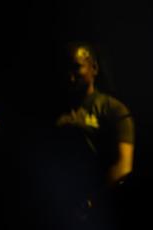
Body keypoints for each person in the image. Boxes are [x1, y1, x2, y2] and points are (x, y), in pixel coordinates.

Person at [55, 42, 134, 187]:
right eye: (67, 69)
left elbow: (123, 166)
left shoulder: (112, 109)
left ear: (94, 68)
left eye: (77, 67)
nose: (71, 76)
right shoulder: (57, 110)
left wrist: (96, 194)